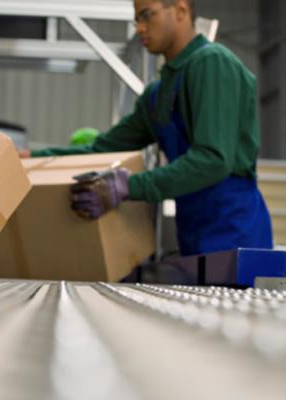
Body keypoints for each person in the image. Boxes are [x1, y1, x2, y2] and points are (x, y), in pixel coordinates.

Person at [20, 0, 273, 256]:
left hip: (235, 231)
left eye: (147, 16)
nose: (140, 28)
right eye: (136, 20)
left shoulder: (213, 64)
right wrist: (30, 159)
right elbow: (101, 149)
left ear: (181, 10)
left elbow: (212, 161)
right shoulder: (157, 94)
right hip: (193, 232)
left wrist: (128, 187)